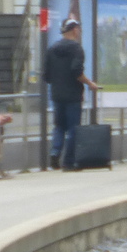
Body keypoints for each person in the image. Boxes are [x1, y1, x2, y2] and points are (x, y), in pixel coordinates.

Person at [44, 17, 100, 170]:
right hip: (73, 95)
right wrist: (90, 83)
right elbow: (77, 71)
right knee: (73, 128)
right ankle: (69, 162)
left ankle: (55, 153)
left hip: (56, 95)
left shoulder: (52, 49)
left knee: (59, 126)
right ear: (75, 30)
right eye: (79, 29)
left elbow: (46, 76)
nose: (79, 32)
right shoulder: (76, 49)